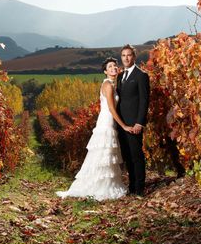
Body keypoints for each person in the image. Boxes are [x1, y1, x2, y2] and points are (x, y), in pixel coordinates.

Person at [56, 58, 135, 201]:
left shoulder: (111, 83)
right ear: (105, 71)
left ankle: (105, 183)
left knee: (106, 153)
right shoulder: (108, 86)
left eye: (115, 66)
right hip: (107, 121)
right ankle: (102, 186)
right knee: (105, 152)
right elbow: (111, 108)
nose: (114, 68)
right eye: (110, 67)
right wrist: (123, 125)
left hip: (107, 121)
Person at [116, 44, 150, 196]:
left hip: (134, 123)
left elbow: (144, 101)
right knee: (127, 156)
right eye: (123, 55)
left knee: (136, 156)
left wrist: (139, 122)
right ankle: (132, 186)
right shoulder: (120, 76)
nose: (126, 58)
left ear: (134, 57)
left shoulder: (141, 75)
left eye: (129, 55)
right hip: (122, 125)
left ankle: (140, 189)